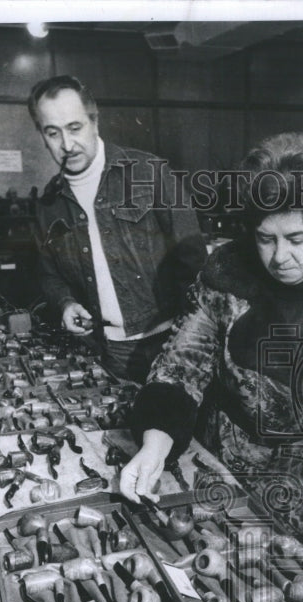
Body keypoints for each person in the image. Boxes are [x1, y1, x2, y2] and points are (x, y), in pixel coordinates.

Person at [120, 132, 303, 542]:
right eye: (266, 239)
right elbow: (182, 366)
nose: (279, 256)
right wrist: (155, 445)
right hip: (217, 462)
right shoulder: (226, 274)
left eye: (297, 239)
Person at [27, 75, 207, 382]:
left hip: (175, 340)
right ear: (42, 135)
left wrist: (194, 338)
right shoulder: (48, 204)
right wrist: (65, 302)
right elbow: (49, 274)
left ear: (95, 121)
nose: (67, 145)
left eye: (75, 128)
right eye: (53, 133)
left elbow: (194, 261)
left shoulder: (149, 172)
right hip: (113, 352)